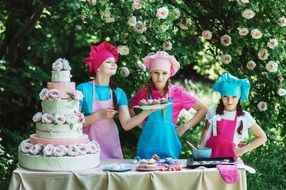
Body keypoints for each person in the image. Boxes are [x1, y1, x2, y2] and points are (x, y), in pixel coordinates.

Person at [77, 41, 155, 159]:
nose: (114, 64)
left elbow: (127, 125)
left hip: (110, 144)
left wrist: (146, 112)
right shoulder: (83, 89)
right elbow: (73, 123)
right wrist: (100, 115)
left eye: (114, 62)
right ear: (97, 67)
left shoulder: (118, 93)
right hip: (87, 147)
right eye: (108, 62)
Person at [130, 51, 207, 159]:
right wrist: (138, 122)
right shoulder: (144, 92)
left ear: (169, 74)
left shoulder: (178, 93)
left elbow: (203, 109)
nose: (160, 77)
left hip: (169, 146)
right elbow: (129, 105)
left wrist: (184, 127)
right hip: (147, 145)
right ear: (150, 73)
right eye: (156, 72)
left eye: (164, 73)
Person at [200, 73, 267, 158]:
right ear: (221, 96)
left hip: (230, 161)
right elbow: (206, 129)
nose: (229, 101)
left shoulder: (244, 116)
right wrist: (201, 148)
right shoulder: (212, 112)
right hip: (209, 159)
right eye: (225, 97)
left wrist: (243, 150)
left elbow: (262, 137)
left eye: (234, 97)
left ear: (239, 97)